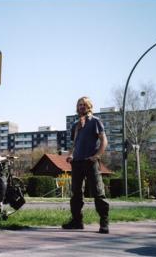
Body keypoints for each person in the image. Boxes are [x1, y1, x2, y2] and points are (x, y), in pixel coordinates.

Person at [63, 96, 110, 234]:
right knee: (76, 194)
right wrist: (71, 154)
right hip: (77, 163)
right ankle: (77, 221)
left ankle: (104, 222)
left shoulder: (95, 121)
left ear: (89, 106)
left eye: (84, 104)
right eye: (79, 105)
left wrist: (97, 156)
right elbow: (74, 144)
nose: (81, 107)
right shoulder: (75, 125)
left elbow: (104, 141)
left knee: (98, 192)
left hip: (91, 162)